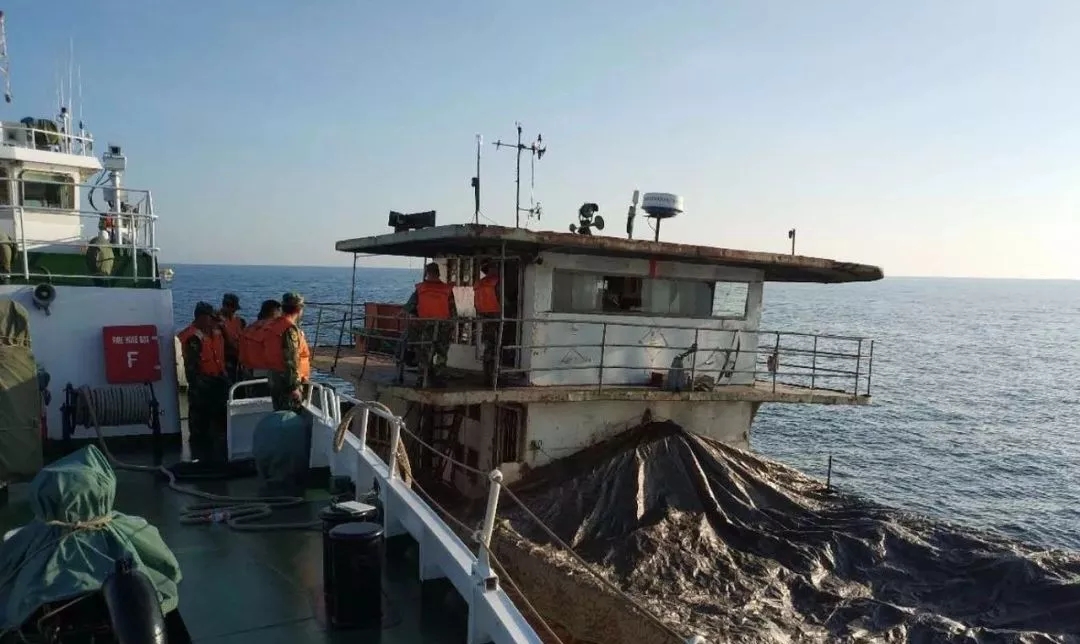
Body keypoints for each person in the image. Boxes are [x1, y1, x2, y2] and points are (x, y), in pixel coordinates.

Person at [176, 301, 229, 463]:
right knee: (200, 422)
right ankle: (199, 455)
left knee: (218, 421)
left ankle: (216, 453)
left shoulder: (215, 333)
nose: (213, 321)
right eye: (210, 317)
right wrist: (203, 386)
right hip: (202, 386)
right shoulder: (193, 337)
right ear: (201, 317)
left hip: (218, 382)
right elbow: (192, 370)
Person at [404, 262, 455, 387]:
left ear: (427, 273)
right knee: (441, 353)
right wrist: (452, 326)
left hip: (425, 326)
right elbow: (452, 310)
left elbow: (409, 307)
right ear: (438, 273)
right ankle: (439, 378)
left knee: (424, 353)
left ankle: (422, 378)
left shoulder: (420, 289)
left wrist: (406, 315)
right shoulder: (447, 289)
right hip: (443, 326)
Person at [264, 292, 311, 411]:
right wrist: (293, 387)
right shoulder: (289, 329)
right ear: (299, 309)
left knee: (279, 411)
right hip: (287, 381)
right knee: (289, 415)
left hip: (275, 377)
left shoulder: (274, 325)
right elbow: (290, 359)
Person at [238, 299, 281, 397]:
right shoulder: (275, 330)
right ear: (275, 312)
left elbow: (241, 354)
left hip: (249, 374)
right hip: (270, 375)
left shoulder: (249, 329)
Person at [474, 260, 502, 385]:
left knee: (488, 348)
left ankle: (487, 375)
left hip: (484, 318)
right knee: (496, 348)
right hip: (496, 318)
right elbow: (503, 300)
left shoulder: (479, 283)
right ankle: (494, 377)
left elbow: (476, 302)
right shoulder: (497, 283)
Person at [218, 293, 246, 381]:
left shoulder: (239, 321)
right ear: (225, 306)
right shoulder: (216, 322)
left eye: (235, 309)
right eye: (232, 308)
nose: (234, 311)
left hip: (238, 359)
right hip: (225, 359)